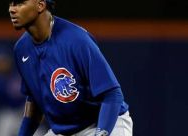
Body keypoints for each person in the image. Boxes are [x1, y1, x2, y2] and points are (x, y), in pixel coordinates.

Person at [8, 0, 133, 135]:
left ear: (40, 5)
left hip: (104, 123)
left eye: (19, 3)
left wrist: (101, 133)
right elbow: (34, 102)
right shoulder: (21, 49)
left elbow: (112, 94)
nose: (12, 9)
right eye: (11, 4)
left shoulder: (76, 40)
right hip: (63, 131)